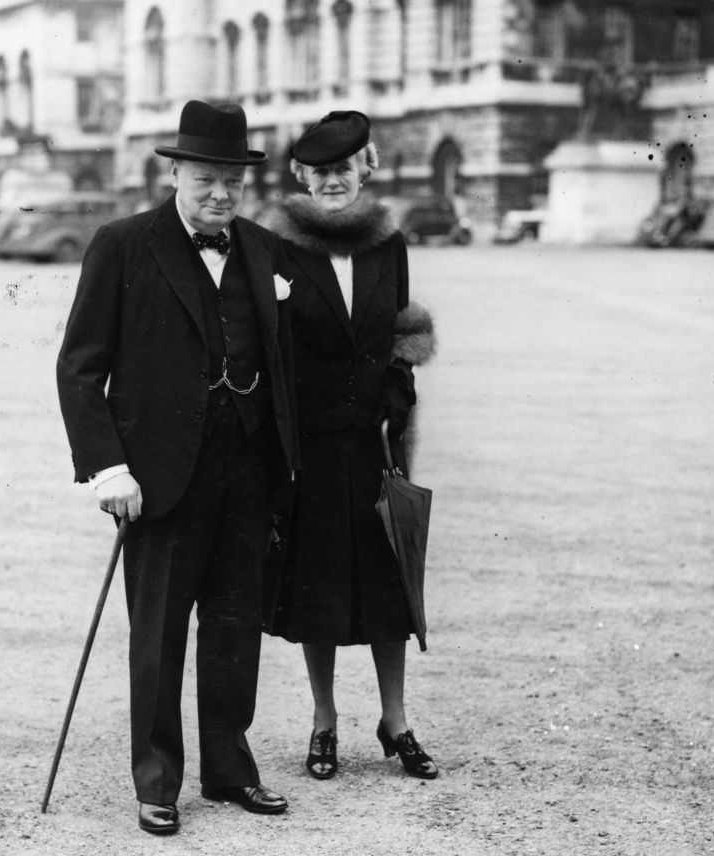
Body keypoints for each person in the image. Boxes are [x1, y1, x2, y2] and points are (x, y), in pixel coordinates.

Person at [56, 100, 299, 835]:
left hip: (247, 473)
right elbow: (78, 368)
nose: (220, 193)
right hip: (159, 480)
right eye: (205, 178)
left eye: (232, 179)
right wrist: (108, 469)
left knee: (234, 628)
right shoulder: (123, 245)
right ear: (175, 173)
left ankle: (229, 770)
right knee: (158, 636)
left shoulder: (260, 249)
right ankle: (157, 779)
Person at [261, 111, 439, 781]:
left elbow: (398, 329)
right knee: (318, 586)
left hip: (372, 443)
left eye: (344, 168)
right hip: (308, 444)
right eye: (319, 170)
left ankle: (395, 721)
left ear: (365, 169)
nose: (332, 180)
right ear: (301, 176)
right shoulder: (277, 245)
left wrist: (398, 392)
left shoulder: (385, 243)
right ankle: (324, 719)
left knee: (387, 581)